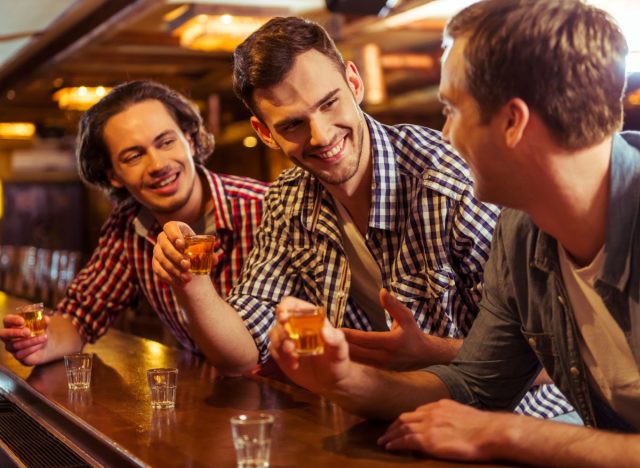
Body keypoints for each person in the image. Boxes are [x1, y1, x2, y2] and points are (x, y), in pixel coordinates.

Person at [268, 0, 640, 465]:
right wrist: (342, 378)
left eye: (450, 109)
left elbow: (490, 418)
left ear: (512, 122)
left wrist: (511, 435)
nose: (444, 135)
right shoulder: (520, 231)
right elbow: (476, 387)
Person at [152, 16, 573, 418]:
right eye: (294, 124)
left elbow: (556, 358)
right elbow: (241, 352)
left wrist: (430, 352)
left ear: (354, 83)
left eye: (329, 103)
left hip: (528, 418)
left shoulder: (450, 183)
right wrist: (191, 282)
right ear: (266, 133)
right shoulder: (288, 201)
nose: (322, 136)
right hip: (403, 416)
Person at [0, 80, 268, 367]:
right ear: (113, 175)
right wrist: (40, 342)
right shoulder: (128, 226)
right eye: (134, 156)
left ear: (189, 141)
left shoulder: (263, 208)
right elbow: (80, 318)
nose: (157, 165)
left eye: (166, 142)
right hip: (211, 391)